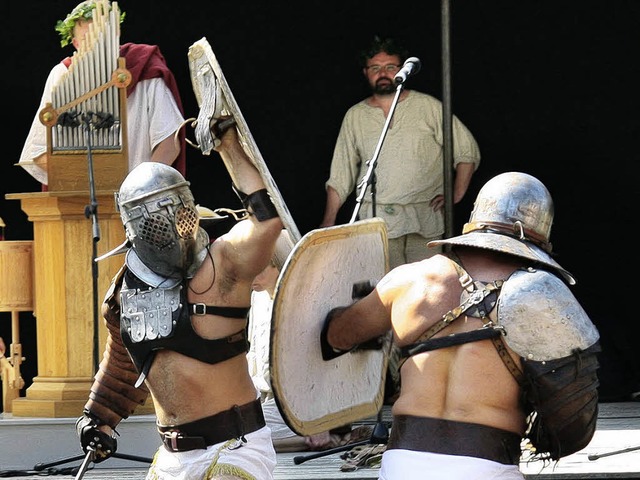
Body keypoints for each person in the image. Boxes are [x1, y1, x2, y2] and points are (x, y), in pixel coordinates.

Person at [320, 171, 600, 479]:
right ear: (540, 237)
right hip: (486, 466)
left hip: (403, 464)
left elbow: (337, 335)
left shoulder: (408, 280)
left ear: (474, 222)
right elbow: (572, 423)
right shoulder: (542, 294)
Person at [74, 121, 282, 479]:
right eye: (153, 219)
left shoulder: (224, 265)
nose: (168, 225)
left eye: (175, 213)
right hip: (173, 458)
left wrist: (227, 145)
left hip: (234, 448)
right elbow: (125, 358)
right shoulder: (127, 290)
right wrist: (100, 415)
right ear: (133, 226)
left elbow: (266, 222)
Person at [320, 35, 481, 270]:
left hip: (425, 217)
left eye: (390, 67)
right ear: (366, 72)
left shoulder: (428, 106)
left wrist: (454, 194)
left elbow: (466, 151)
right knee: (385, 292)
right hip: (377, 220)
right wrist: (329, 220)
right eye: (375, 67)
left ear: (402, 69)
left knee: (425, 289)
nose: (383, 73)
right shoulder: (355, 116)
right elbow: (341, 173)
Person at [18, 0, 186, 188]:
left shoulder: (146, 71)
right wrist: (84, 183)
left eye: (102, 38)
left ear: (116, 35)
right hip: (80, 202)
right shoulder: (62, 76)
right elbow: (39, 152)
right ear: (75, 44)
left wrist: (140, 191)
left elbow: (169, 144)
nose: (97, 47)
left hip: (139, 202)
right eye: (88, 41)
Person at [247, 230, 372, 452]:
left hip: (306, 407)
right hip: (270, 401)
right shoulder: (257, 297)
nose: (250, 275)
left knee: (242, 437)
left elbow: (325, 366)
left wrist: (317, 420)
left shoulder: (303, 304)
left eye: (259, 268)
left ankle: (312, 438)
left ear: (277, 265)